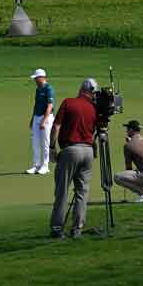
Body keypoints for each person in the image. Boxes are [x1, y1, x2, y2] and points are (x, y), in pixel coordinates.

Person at [48, 78, 100, 237]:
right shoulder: (94, 108)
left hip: (71, 150)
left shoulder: (69, 102)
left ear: (81, 89)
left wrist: (51, 147)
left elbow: (56, 126)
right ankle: (77, 228)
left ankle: (57, 228)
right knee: (82, 192)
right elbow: (98, 130)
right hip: (88, 152)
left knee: (62, 191)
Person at [113, 119, 143, 202]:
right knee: (140, 171)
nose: (126, 131)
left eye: (128, 129)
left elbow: (128, 167)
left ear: (131, 130)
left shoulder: (128, 145)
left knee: (117, 177)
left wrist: (128, 145)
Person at [26, 69, 55, 175]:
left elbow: (50, 105)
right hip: (37, 117)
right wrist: (32, 118)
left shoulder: (49, 89)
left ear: (42, 77)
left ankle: (45, 166)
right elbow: (36, 104)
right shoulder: (38, 89)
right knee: (35, 142)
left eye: (36, 78)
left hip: (46, 118)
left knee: (45, 142)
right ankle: (36, 165)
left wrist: (44, 120)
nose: (35, 80)